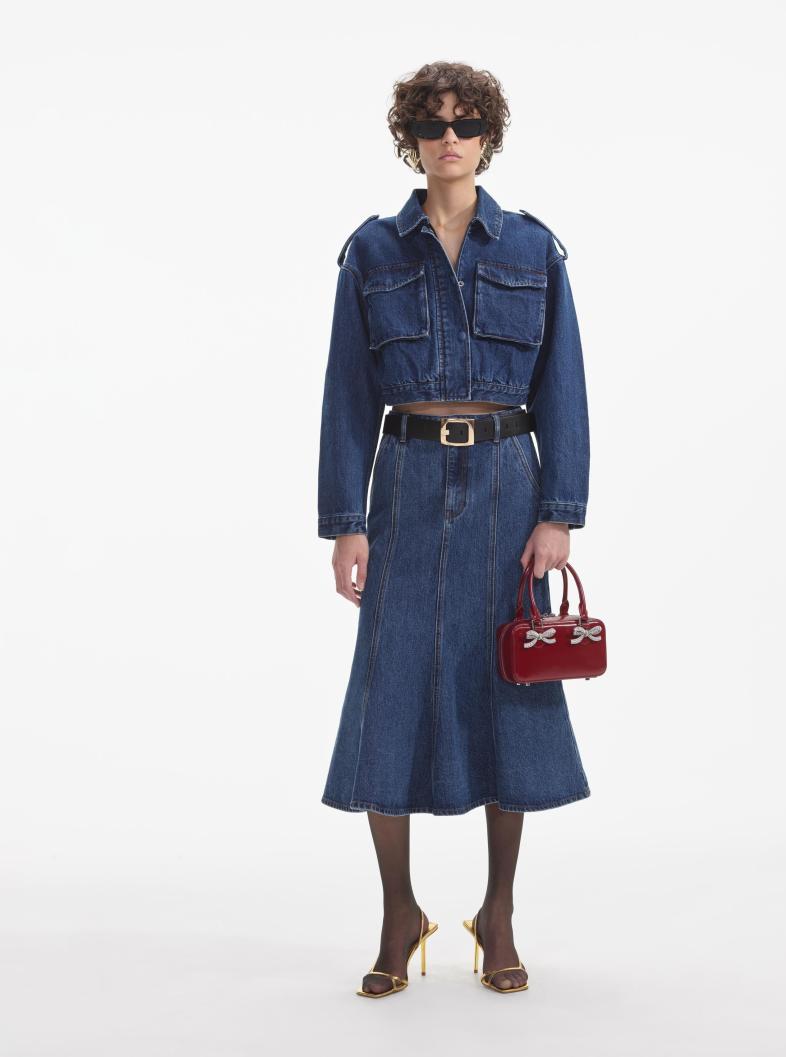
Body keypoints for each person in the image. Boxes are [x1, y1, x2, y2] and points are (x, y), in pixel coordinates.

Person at [316, 61, 592, 998]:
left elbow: (563, 387)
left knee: (508, 688)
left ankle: (497, 913)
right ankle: (398, 913)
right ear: (409, 137)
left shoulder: (533, 248)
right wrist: (345, 523)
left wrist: (558, 513)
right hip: (403, 482)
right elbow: (347, 395)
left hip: (509, 485)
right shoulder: (371, 251)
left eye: (466, 123)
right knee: (387, 692)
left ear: (487, 137)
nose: (449, 138)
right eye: (432, 124)